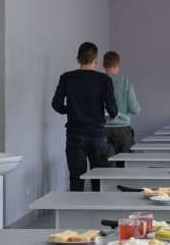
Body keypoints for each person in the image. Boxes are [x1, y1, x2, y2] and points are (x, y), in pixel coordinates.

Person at [51, 42, 117, 191]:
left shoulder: (67, 78)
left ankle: (76, 206)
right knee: (99, 180)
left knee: (76, 179)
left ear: (78, 59)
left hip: (74, 135)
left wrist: (70, 111)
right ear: (96, 60)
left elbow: (56, 104)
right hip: (97, 134)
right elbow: (112, 107)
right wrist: (112, 114)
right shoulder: (104, 79)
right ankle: (97, 205)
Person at [102, 51, 141, 164]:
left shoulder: (98, 82)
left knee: (106, 169)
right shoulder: (125, 83)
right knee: (125, 167)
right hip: (123, 131)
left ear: (104, 65)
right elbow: (134, 109)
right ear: (118, 64)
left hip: (102, 130)